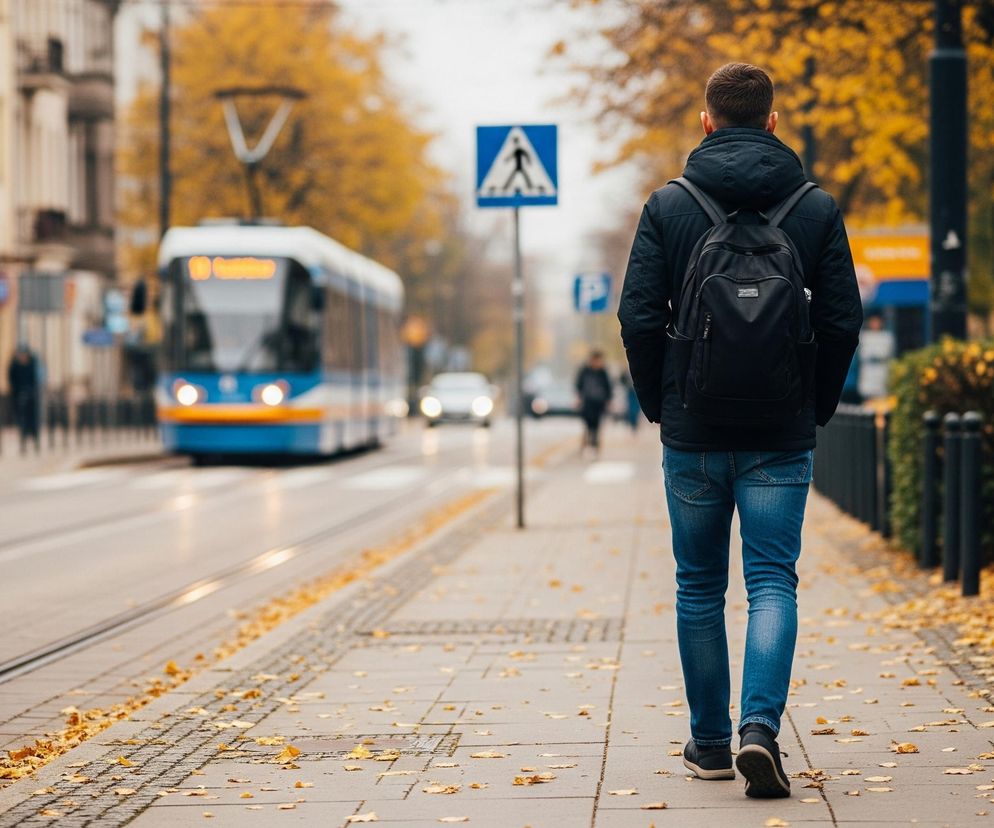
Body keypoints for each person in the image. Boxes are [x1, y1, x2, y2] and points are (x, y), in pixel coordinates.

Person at [618, 63, 862, 798]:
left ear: (705, 121)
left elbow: (636, 318)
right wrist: (812, 407)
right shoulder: (814, 207)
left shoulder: (669, 205)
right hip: (780, 434)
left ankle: (712, 744)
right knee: (771, 581)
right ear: (775, 122)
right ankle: (762, 728)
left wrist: (664, 403)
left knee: (699, 588)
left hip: (693, 432)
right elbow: (842, 319)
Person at [575, 350, 612, 455]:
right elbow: (579, 385)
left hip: (599, 403)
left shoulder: (603, 372)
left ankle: (596, 447)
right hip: (587, 402)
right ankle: (584, 447)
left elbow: (608, 387)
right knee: (587, 425)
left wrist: (609, 401)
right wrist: (578, 398)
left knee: (597, 426)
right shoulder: (584, 371)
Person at [7, 343, 41, 455]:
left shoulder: (32, 364)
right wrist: (16, 393)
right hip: (18, 397)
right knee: (22, 422)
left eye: (24, 354)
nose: (23, 357)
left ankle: (36, 442)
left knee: (33, 421)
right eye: (21, 354)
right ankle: (23, 443)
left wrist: (33, 392)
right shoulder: (14, 366)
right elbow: (11, 380)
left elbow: (35, 379)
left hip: (31, 397)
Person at [857, 314, 895, 401]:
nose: (875, 324)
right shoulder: (864, 336)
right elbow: (863, 353)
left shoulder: (886, 336)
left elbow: (887, 352)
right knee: (867, 398)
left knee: (881, 396)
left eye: (877, 322)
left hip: (881, 370)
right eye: (873, 322)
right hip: (868, 370)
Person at [619, 368, 640, 433]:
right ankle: (632, 424)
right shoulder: (625, 370)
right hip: (630, 391)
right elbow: (621, 379)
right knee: (631, 409)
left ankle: (634, 424)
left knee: (636, 409)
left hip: (637, 391)